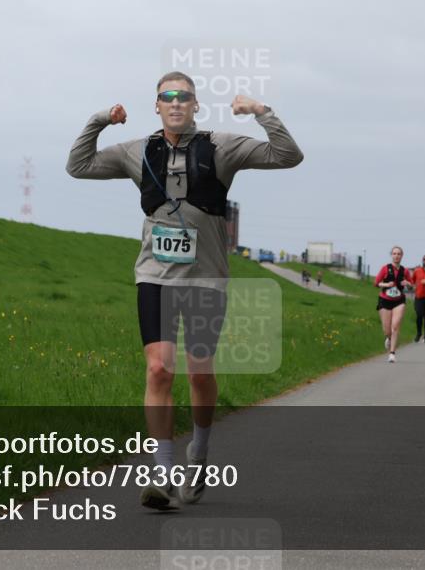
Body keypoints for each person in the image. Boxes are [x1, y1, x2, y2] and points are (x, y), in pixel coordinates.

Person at [66, 71, 303, 510]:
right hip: (153, 276)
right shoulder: (137, 151)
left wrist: (260, 112)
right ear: (156, 105)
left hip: (206, 280)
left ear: (196, 106)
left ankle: (199, 452)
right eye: (167, 97)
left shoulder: (221, 146)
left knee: (199, 373)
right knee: (159, 370)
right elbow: (78, 166)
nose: (176, 103)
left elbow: (288, 155)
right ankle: (162, 472)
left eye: (185, 97)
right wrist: (100, 119)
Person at [374, 246, 414, 363]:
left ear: (402, 256)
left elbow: (411, 285)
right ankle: (388, 337)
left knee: (395, 326)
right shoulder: (385, 268)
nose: (396, 256)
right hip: (385, 300)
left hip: (399, 300)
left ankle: (392, 353)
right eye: (394, 253)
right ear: (391, 255)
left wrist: (407, 283)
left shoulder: (405, 271)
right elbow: (376, 283)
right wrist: (386, 285)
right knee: (387, 330)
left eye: (399, 254)